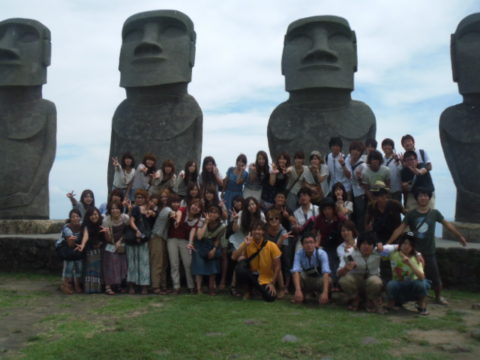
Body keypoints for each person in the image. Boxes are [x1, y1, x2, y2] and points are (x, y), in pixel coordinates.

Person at [387, 187, 467, 305]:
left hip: (429, 251)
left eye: (425, 195)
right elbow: (400, 229)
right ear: (417, 198)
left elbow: (447, 225)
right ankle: (411, 298)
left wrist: (459, 236)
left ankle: (438, 297)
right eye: (420, 196)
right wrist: (388, 243)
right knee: (410, 275)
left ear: (429, 198)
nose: (423, 198)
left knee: (435, 276)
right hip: (414, 252)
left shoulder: (435, 213)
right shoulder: (411, 214)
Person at [337, 231, 387, 313]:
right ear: (358, 245)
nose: (366, 246)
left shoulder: (378, 252)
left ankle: (370, 300)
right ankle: (355, 299)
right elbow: (338, 273)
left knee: (376, 281)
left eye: (369, 244)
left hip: (371, 280)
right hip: (357, 281)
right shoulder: (350, 254)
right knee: (344, 280)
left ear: (373, 245)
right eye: (363, 244)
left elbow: (396, 248)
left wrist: (381, 246)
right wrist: (346, 269)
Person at [232, 221, 281, 302]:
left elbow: (278, 266)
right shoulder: (247, 243)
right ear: (251, 231)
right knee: (240, 267)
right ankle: (248, 291)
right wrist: (245, 244)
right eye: (254, 229)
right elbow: (234, 257)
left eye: (259, 230)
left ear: (263, 232)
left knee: (270, 297)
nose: (257, 232)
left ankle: (258, 290)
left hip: (265, 277)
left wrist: (272, 283)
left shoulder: (271, 245)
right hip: (251, 274)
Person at [382, 233, 430, 315]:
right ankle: (391, 303)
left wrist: (410, 263)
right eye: (404, 243)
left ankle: (421, 304)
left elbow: (422, 277)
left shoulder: (416, 258)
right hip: (398, 283)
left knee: (422, 284)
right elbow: (381, 253)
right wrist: (380, 247)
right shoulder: (393, 254)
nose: (407, 246)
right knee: (391, 284)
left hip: (413, 284)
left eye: (410, 244)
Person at [169, 197, 201, 293]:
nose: (195, 207)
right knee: (174, 263)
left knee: (188, 263)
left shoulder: (197, 220)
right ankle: (176, 287)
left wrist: (190, 243)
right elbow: (178, 214)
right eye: (194, 204)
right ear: (191, 204)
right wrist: (177, 221)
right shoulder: (183, 210)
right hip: (172, 239)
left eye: (198, 207)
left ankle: (191, 286)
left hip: (185, 241)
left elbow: (193, 231)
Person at [191, 204, 224, 295]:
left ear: (219, 215)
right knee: (198, 263)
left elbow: (218, 239)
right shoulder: (201, 221)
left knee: (213, 261)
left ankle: (211, 288)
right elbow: (200, 236)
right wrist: (206, 222)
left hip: (211, 245)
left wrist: (214, 249)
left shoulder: (221, 226)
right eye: (211, 212)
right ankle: (198, 288)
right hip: (200, 244)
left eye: (215, 213)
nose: (213, 214)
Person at [126, 189, 154, 295]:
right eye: (137, 197)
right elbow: (131, 221)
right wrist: (137, 230)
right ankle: (132, 285)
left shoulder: (149, 209)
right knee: (132, 263)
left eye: (141, 197)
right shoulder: (135, 208)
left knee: (144, 263)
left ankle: (144, 286)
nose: (139, 199)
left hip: (144, 238)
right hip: (134, 237)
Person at [291, 234, 331, 305]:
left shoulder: (322, 254)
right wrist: (298, 290)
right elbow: (295, 270)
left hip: (319, 279)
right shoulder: (299, 254)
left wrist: (325, 292)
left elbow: (326, 272)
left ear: (315, 243)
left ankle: (325, 296)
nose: (309, 245)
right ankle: (300, 294)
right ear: (302, 245)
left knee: (329, 280)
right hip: (307, 279)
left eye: (311, 242)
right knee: (296, 275)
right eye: (306, 243)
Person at [76, 207, 108, 294]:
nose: (94, 216)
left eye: (95, 214)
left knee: (99, 270)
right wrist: (82, 245)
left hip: (100, 251)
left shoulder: (102, 224)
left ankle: (98, 288)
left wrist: (106, 233)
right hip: (90, 250)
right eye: (91, 215)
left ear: (98, 214)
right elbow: (86, 236)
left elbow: (105, 239)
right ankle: (90, 288)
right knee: (90, 270)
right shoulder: (86, 225)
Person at [102, 201, 129, 295]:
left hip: (121, 243)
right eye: (112, 208)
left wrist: (120, 242)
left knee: (123, 259)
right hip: (110, 244)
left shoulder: (125, 218)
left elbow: (127, 231)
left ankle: (119, 284)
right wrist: (108, 235)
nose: (115, 210)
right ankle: (108, 286)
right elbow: (108, 238)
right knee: (111, 258)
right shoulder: (106, 220)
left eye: (117, 208)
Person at [265, 208, 293, 298]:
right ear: (267, 220)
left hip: (280, 251)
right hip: (267, 251)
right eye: (271, 219)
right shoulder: (265, 229)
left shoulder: (283, 231)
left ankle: (284, 287)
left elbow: (278, 250)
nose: (274, 221)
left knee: (284, 260)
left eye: (276, 218)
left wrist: (281, 240)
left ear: (279, 219)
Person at [149, 190, 172, 294]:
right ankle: (155, 286)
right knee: (157, 262)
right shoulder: (162, 209)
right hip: (156, 237)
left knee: (164, 263)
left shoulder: (166, 208)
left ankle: (163, 286)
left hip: (163, 238)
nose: (164, 199)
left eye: (166, 197)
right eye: (162, 197)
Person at [59, 209, 83, 294]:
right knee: (69, 265)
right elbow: (70, 244)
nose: (75, 218)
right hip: (67, 249)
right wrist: (75, 241)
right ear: (70, 218)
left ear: (80, 217)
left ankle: (77, 284)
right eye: (73, 217)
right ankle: (66, 285)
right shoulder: (67, 227)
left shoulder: (82, 226)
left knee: (79, 265)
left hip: (77, 249)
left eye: (77, 216)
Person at [344, 141, 366, 231]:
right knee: (348, 214)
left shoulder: (363, 165)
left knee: (360, 215)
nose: (355, 152)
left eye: (358, 150)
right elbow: (347, 175)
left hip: (359, 193)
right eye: (354, 149)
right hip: (349, 191)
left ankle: (359, 235)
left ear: (361, 152)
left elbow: (364, 182)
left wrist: (359, 177)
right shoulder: (347, 159)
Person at [381, 138, 403, 202]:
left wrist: (398, 162)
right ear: (382, 147)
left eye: (389, 145)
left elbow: (401, 172)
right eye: (385, 145)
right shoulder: (381, 161)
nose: (387, 147)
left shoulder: (398, 158)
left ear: (392, 147)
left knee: (396, 210)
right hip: (385, 192)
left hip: (396, 191)